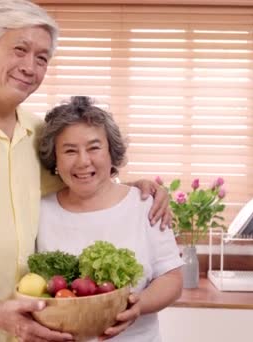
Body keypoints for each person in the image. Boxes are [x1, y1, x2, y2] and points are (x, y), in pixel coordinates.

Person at [0, 1, 171, 341]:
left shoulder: (37, 133)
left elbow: (79, 180)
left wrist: (134, 188)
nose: (30, 67)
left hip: (20, 330)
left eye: (41, 58)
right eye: (19, 50)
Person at [37, 96, 183, 342]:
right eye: (70, 150)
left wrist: (137, 305)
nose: (83, 161)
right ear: (55, 160)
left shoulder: (145, 204)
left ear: (111, 153)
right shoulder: (41, 210)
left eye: (94, 148)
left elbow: (171, 279)